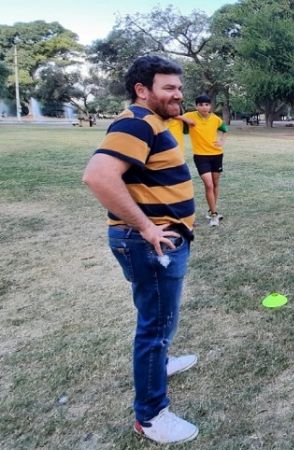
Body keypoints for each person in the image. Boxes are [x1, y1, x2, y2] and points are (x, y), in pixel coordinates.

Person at [82, 55, 199, 445]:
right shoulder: (136, 123)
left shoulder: (152, 121)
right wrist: (147, 227)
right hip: (149, 244)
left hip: (159, 242)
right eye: (169, 88)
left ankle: (160, 365)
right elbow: (98, 176)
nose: (178, 94)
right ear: (141, 90)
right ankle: (150, 416)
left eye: (179, 87)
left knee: (160, 318)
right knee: (155, 326)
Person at [184, 95, 228, 227]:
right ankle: (214, 215)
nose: (204, 107)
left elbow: (224, 129)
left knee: (215, 184)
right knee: (209, 185)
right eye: (201, 105)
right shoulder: (190, 116)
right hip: (201, 156)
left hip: (217, 155)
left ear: (210, 106)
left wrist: (221, 141)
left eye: (207, 105)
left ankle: (211, 209)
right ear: (196, 106)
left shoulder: (215, 119)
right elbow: (177, 117)